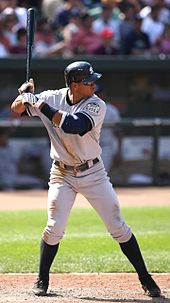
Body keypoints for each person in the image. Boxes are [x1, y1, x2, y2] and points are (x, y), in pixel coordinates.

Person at [11, 61, 161, 298]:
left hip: (93, 173)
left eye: (93, 81)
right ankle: (42, 278)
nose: (94, 85)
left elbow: (73, 125)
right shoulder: (53, 97)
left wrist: (37, 102)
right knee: (53, 228)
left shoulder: (96, 104)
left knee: (118, 227)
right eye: (88, 81)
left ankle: (146, 278)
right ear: (74, 85)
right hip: (62, 173)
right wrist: (24, 95)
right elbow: (17, 109)